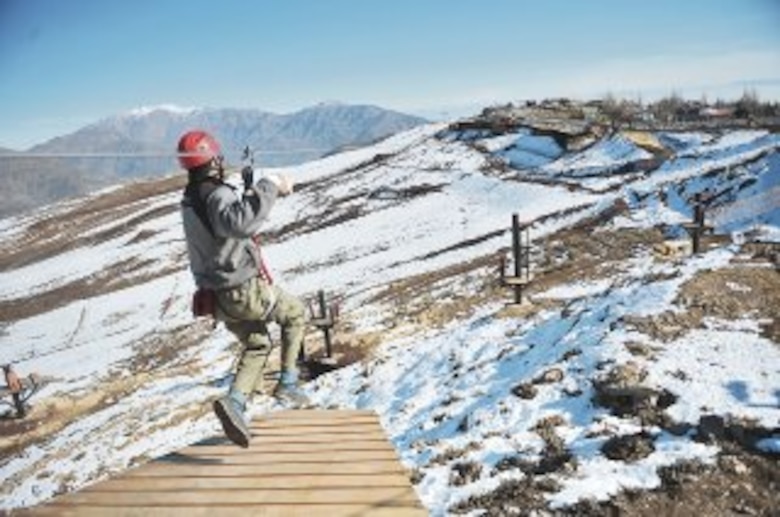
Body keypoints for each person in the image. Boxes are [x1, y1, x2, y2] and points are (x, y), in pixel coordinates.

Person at [177, 129, 308, 448]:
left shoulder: (190, 199)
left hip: (217, 298)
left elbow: (222, 227)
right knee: (296, 313)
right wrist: (270, 185)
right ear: (212, 161)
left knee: (258, 343)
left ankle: (234, 404)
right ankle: (288, 384)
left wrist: (247, 195)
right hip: (241, 288)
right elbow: (238, 224)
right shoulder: (216, 194)